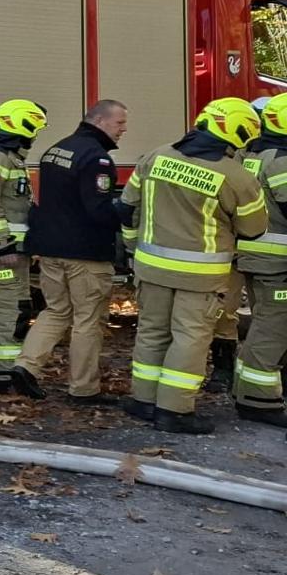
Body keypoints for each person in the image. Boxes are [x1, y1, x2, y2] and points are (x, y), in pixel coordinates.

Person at [118, 98, 267, 434]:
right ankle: (174, 411)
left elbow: (127, 208)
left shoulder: (156, 156)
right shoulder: (235, 176)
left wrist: (130, 249)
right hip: (200, 277)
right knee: (190, 339)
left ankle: (144, 400)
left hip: (150, 268)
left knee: (152, 333)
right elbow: (254, 228)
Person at [14, 100, 127, 403]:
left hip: (50, 249)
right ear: (101, 121)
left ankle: (25, 367)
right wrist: (126, 213)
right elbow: (98, 209)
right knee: (88, 320)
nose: (124, 129)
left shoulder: (56, 150)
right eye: (119, 123)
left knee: (55, 311)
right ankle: (84, 388)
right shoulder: (97, 158)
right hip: (85, 254)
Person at [0, 99, 49, 398]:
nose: (34, 136)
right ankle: (7, 378)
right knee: (12, 314)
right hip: (4, 253)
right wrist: (4, 245)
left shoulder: (8, 158)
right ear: (22, 126)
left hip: (5, 252)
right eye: (34, 129)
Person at [229, 94, 287, 428]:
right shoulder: (280, 161)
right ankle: (258, 400)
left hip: (256, 258)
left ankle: (247, 390)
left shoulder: (250, 153)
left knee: (265, 322)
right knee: (274, 326)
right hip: (277, 265)